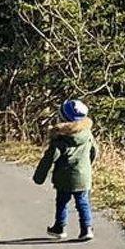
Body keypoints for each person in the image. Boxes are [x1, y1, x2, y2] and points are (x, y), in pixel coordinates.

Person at [34, 99, 99, 241]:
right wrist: (89, 165)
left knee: (62, 202)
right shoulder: (87, 134)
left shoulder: (60, 139)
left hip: (64, 177)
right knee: (83, 202)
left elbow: (49, 158)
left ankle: (59, 227)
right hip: (84, 176)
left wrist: (39, 177)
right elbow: (95, 151)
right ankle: (86, 228)